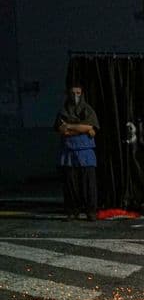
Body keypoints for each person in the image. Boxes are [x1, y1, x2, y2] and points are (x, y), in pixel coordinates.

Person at [54, 83, 100, 221]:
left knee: (88, 184)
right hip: (68, 151)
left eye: (78, 93)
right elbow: (63, 130)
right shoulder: (63, 110)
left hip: (85, 151)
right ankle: (72, 211)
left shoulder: (88, 110)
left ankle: (91, 211)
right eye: (73, 92)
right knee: (70, 184)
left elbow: (91, 127)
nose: (75, 96)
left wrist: (70, 126)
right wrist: (84, 128)